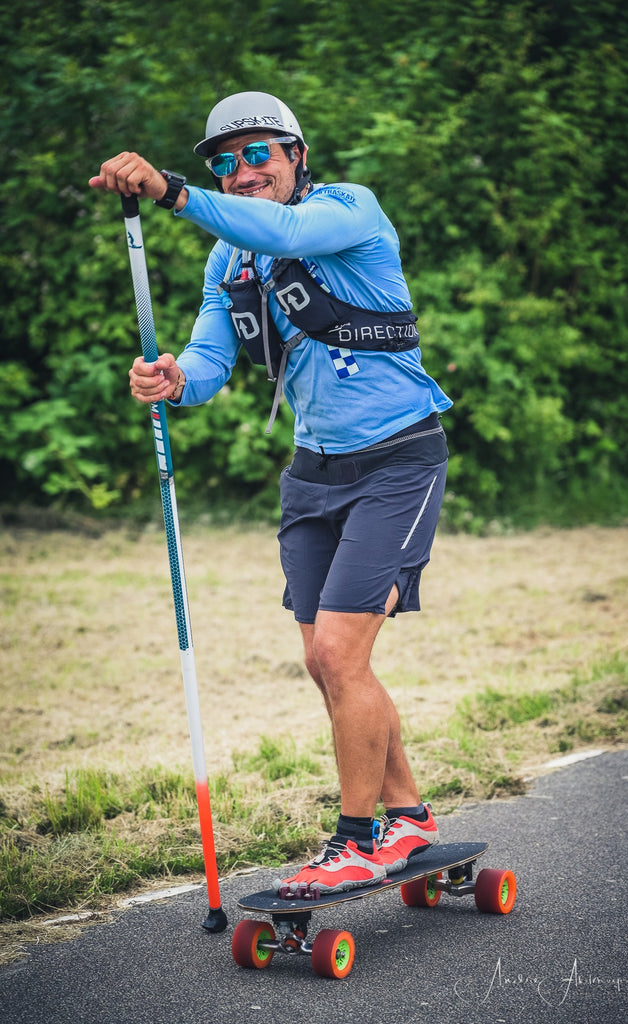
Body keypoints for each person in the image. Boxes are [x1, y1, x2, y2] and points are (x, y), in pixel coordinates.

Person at [89, 91, 452, 894]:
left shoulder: (347, 211)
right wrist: (173, 379)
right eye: (224, 160)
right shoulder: (231, 257)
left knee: (337, 652)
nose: (242, 171)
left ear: (295, 156)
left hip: (398, 460)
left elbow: (285, 232)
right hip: (312, 474)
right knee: (326, 665)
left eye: (259, 154)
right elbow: (209, 361)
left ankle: (356, 840)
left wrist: (177, 191)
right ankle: (410, 818)